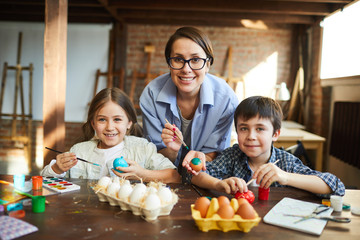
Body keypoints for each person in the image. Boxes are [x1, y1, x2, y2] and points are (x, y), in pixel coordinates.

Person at [184, 96, 345, 196]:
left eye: (260, 129)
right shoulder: (232, 156)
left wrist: (285, 177)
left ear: (275, 134)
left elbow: (336, 186)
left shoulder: (285, 162)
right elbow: (195, 176)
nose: (251, 136)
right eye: (244, 128)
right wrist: (217, 184)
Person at [140, 26, 239, 171]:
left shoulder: (226, 100)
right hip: (163, 174)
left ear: (208, 65)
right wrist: (172, 151)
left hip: (206, 175)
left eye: (196, 60)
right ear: (169, 63)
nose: (186, 69)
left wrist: (198, 161)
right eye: (178, 59)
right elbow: (154, 156)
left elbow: (215, 154)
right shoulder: (151, 96)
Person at [41, 88, 181, 183]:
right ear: (93, 123)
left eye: (117, 119)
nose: (109, 127)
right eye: (102, 119)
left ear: (129, 123)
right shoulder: (78, 151)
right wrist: (57, 169)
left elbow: (174, 176)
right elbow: (44, 181)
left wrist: (142, 173)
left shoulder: (143, 148)